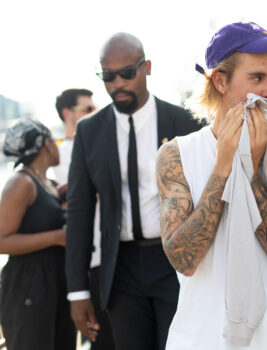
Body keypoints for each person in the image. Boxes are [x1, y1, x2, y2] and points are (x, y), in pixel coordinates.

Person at [156, 21, 267, 349]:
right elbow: (184, 259)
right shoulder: (177, 154)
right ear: (220, 80)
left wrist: (250, 174)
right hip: (202, 337)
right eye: (257, 78)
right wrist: (223, 168)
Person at [65, 32, 202, 350]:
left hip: (175, 262)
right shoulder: (90, 131)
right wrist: (77, 291)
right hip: (120, 267)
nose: (117, 84)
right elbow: (79, 211)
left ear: (147, 68)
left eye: (126, 73)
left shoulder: (184, 122)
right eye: (107, 76)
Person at [0, 119, 76, 350]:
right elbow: (1, 241)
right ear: (46, 144)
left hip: (54, 281)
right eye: (56, 140)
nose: (57, 145)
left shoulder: (48, 184)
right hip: (28, 284)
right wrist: (56, 237)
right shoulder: (21, 183)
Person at [53, 88, 116, 350]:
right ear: (68, 114)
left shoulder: (100, 147)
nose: (94, 113)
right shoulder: (55, 155)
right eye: (87, 109)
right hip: (84, 263)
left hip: (109, 257)